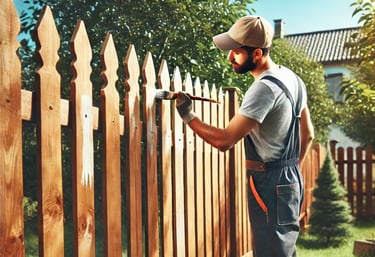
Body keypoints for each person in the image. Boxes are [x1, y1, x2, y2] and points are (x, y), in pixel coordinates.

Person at [175, 15, 314, 257]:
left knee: (270, 252)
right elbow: (309, 135)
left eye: (236, 52)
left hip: (269, 179)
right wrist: (289, 176)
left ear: (257, 54)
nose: (230, 57)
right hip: (290, 177)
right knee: (283, 251)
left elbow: (224, 140)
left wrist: (188, 114)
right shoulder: (293, 79)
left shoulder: (263, 88)